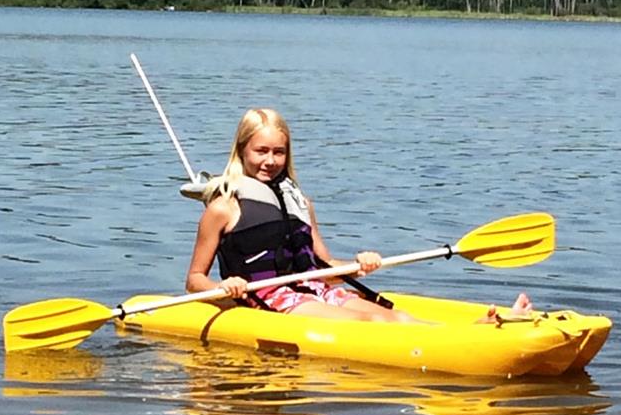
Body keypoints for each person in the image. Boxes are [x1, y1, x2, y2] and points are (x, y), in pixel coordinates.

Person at [186, 108, 532, 323]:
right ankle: (478, 336)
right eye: (261, 151)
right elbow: (194, 280)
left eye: (279, 152)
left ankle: (483, 329)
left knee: (397, 318)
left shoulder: (300, 202)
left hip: (312, 289)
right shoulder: (223, 207)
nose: (270, 160)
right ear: (242, 150)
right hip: (266, 298)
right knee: (370, 324)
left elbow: (325, 267)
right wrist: (223, 287)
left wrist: (358, 263)